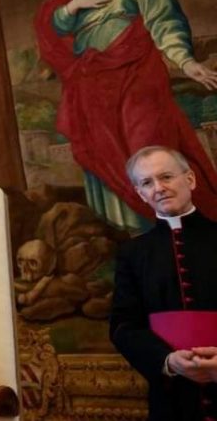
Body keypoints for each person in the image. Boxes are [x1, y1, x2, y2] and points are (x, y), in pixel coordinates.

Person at [35, 0, 217, 233]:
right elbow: (60, 26)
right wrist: (74, 5)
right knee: (101, 150)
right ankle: (129, 230)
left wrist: (185, 61)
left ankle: (169, 225)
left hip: (134, 76)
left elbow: (163, 20)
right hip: (92, 84)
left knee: (144, 145)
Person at [110, 146, 217, 420]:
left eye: (166, 177)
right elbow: (123, 326)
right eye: (147, 183)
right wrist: (167, 360)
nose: (159, 188)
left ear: (190, 179)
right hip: (172, 400)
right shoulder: (132, 254)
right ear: (140, 194)